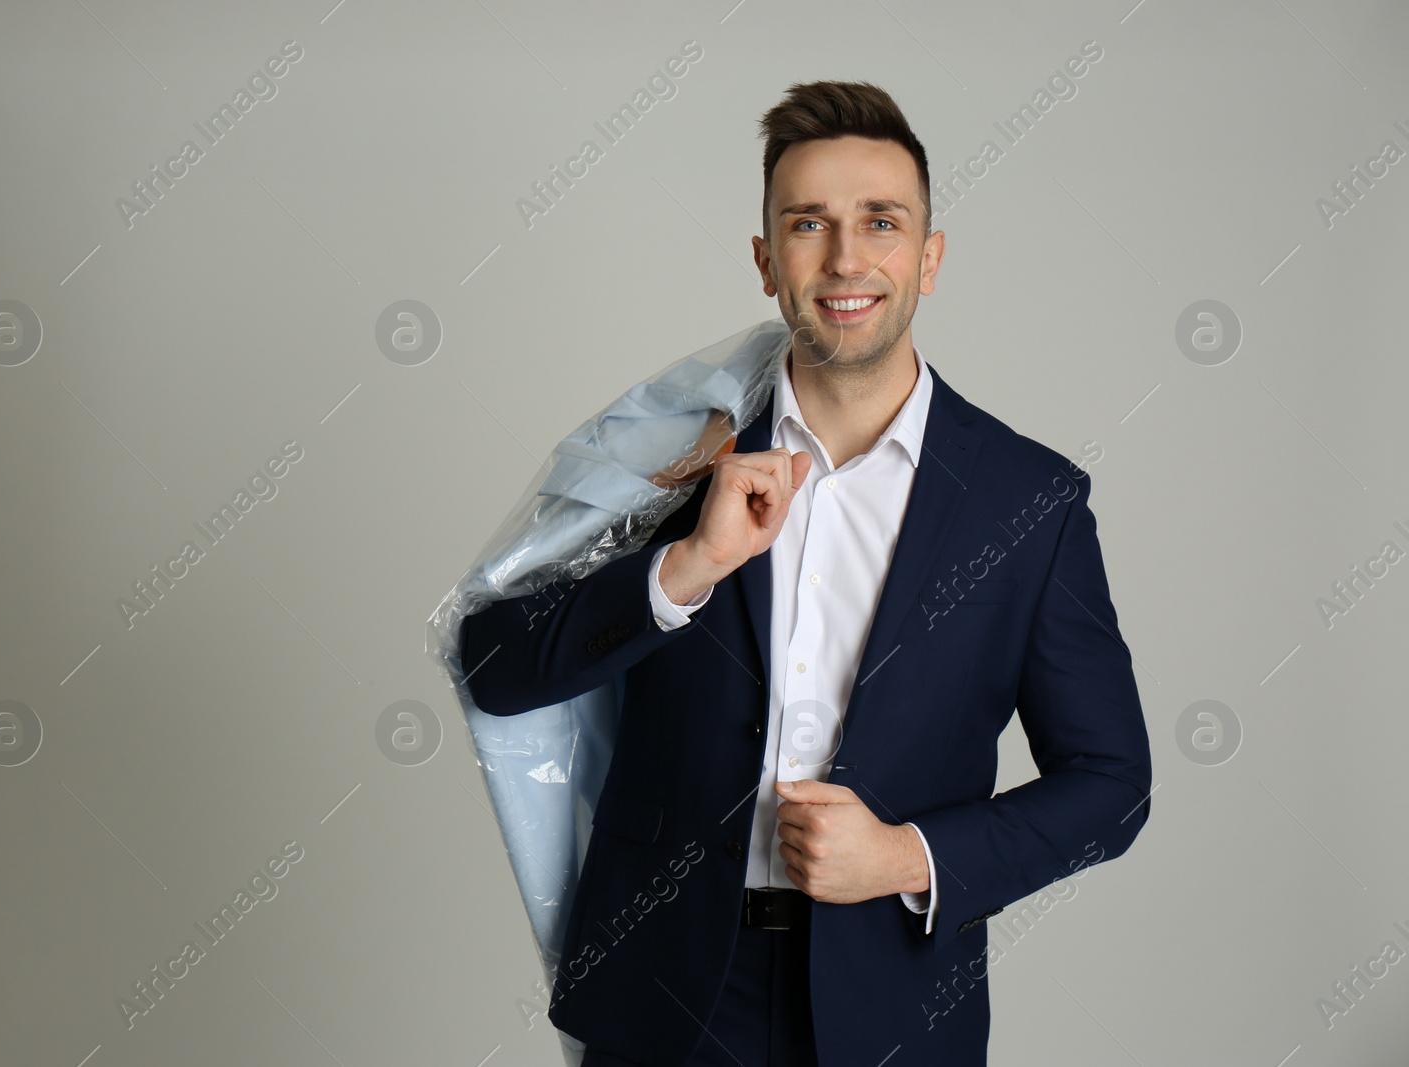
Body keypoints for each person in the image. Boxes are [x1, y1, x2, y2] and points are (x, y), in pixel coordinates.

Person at [459, 80, 1152, 1067]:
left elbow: (1111, 785)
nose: (844, 257)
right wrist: (686, 565)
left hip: (892, 999)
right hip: (665, 993)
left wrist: (908, 856)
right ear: (765, 261)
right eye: (807, 224)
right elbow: (494, 663)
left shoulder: (1027, 502)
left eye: (880, 221)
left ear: (928, 256)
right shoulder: (669, 456)